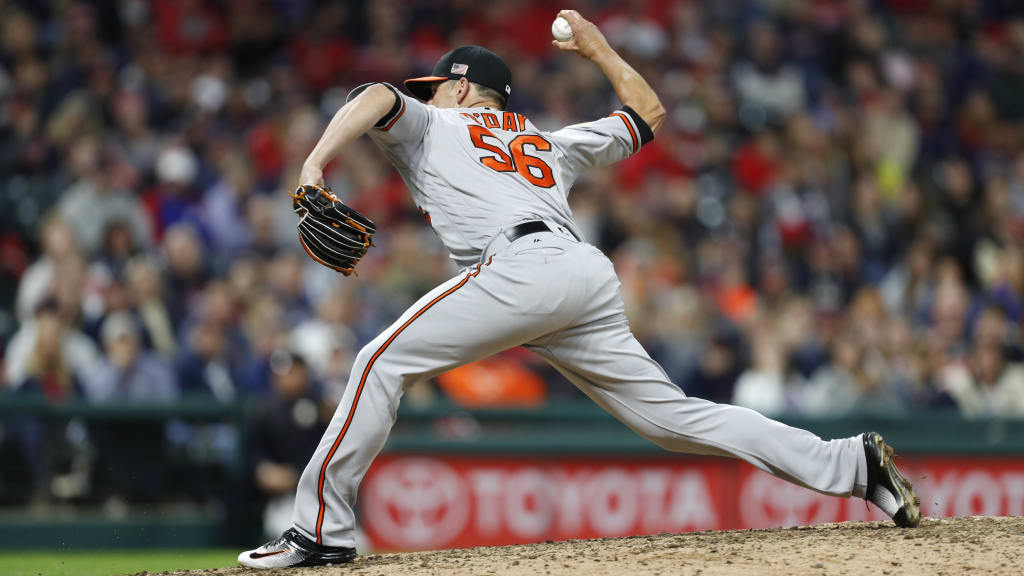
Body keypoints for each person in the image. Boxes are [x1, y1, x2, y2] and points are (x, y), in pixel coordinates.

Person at [239, 11, 920, 569]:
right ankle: (853, 465)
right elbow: (647, 112)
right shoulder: (548, 142)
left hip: (520, 268)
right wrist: (596, 47)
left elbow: (376, 95)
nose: (427, 93)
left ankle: (318, 529)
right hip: (581, 274)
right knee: (674, 419)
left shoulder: (435, 122)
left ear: (466, 88)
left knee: (378, 363)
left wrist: (313, 162)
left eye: (439, 84)